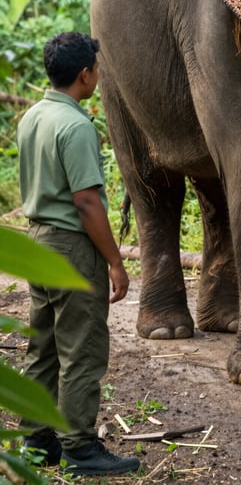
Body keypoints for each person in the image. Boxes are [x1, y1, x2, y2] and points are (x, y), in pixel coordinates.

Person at [16, 32, 140, 477]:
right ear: (85, 74)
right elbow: (87, 203)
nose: (98, 77)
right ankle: (79, 446)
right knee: (81, 348)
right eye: (96, 70)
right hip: (70, 246)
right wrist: (115, 261)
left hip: (37, 241)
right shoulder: (75, 126)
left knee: (44, 345)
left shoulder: (33, 116)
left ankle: (37, 439)